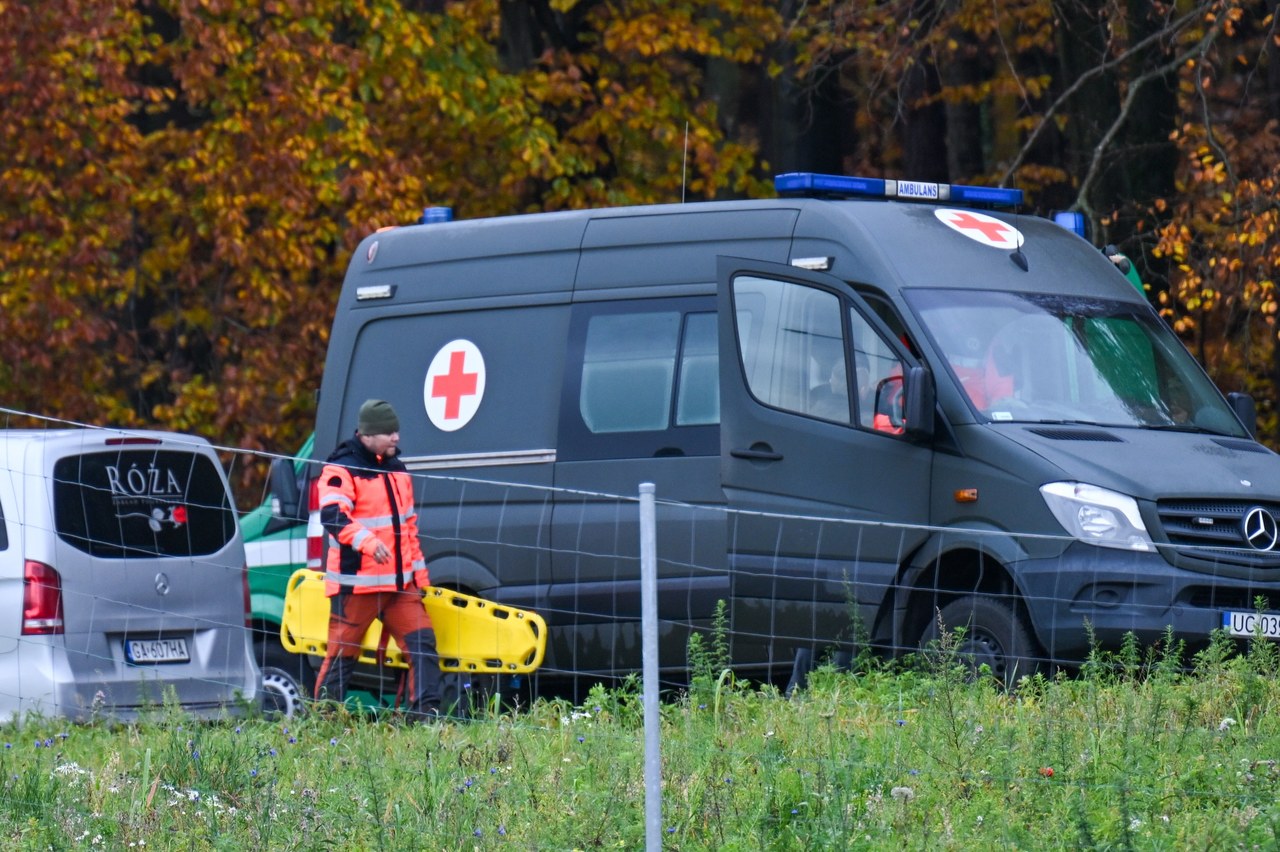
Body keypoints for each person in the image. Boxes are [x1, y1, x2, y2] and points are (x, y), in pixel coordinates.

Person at [314, 399, 443, 719]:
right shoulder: (340, 469)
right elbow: (332, 516)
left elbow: (409, 529)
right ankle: (323, 720)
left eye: (396, 431)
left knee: (423, 646)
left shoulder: (398, 470)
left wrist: (421, 580)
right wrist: (368, 543)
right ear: (368, 435)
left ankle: (427, 717)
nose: (396, 438)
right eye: (389, 433)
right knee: (342, 656)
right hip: (356, 588)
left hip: (401, 587)